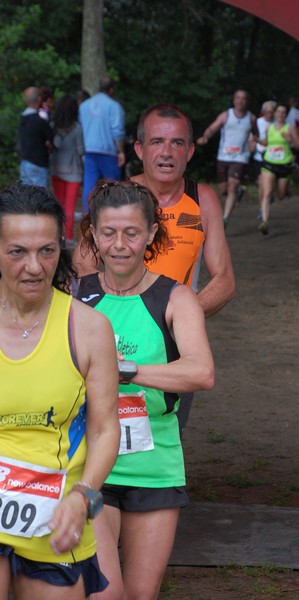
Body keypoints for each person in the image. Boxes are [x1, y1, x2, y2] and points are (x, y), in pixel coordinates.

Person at [75, 179, 215, 600]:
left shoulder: (175, 297)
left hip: (154, 466)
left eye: (132, 233)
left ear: (152, 233)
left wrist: (126, 370)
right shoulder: (75, 296)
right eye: (109, 233)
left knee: (140, 594)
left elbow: (201, 372)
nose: (120, 245)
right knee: (105, 594)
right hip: (90, 465)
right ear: (94, 236)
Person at [73, 102, 235, 433]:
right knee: (97, 426)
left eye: (177, 143)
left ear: (190, 151)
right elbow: (83, 269)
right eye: (156, 142)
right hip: (111, 334)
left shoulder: (203, 199)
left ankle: (156, 482)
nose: (166, 152)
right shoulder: (112, 197)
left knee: (162, 429)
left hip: (172, 343)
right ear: (139, 148)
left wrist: (177, 318)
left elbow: (224, 279)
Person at [0, 181, 120, 599]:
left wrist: (85, 495)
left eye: (46, 251)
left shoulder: (88, 328)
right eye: (17, 251)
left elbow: (106, 430)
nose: (33, 267)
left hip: (57, 513)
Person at [197, 89, 258, 227]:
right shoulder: (226, 115)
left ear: (247, 101)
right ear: (234, 100)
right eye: (237, 98)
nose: (240, 101)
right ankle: (239, 191)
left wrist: (254, 143)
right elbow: (212, 128)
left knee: (232, 186)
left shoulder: (251, 118)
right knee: (224, 189)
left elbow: (256, 134)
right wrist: (205, 137)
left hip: (240, 157)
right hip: (223, 156)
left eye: (243, 98)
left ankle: (224, 218)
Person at [79, 76, 126, 214]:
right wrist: (121, 151)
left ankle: (88, 215)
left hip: (89, 150)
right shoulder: (114, 107)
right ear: (111, 90)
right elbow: (117, 131)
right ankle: (115, 213)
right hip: (108, 152)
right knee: (113, 186)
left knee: (89, 186)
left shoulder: (84, 106)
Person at [258, 103, 299, 235]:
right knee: (266, 193)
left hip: (284, 165)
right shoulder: (269, 128)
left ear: (286, 115)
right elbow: (266, 143)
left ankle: (284, 191)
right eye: (279, 112)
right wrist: (257, 141)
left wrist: (291, 140)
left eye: (284, 112)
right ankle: (264, 222)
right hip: (269, 163)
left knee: (280, 195)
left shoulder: (290, 129)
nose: (281, 114)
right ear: (275, 114)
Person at [50, 94, 84, 246]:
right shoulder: (77, 128)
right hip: (73, 172)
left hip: (56, 170)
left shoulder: (52, 126)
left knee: (59, 205)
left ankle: (57, 237)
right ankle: (69, 238)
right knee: (70, 208)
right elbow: (81, 150)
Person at [17, 87, 54, 188]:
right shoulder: (39, 121)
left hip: (25, 163)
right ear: (39, 99)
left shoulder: (22, 119)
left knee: (25, 197)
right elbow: (52, 138)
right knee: (40, 198)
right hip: (38, 164)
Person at [252, 101, 276, 217]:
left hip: (273, 158)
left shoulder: (277, 123)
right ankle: (262, 208)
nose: (269, 114)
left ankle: (268, 197)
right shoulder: (257, 122)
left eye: (271, 112)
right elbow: (252, 136)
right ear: (263, 112)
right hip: (259, 157)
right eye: (267, 112)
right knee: (261, 184)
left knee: (269, 184)